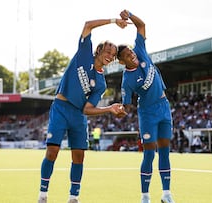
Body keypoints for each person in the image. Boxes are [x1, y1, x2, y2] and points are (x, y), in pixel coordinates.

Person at [38, 17, 128, 203]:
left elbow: (88, 109)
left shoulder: (101, 83)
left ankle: (73, 197)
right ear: (99, 50)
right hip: (61, 108)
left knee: (79, 156)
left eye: (113, 55)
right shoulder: (84, 54)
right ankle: (43, 195)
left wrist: (109, 108)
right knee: (52, 151)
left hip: (78, 115)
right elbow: (88, 25)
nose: (111, 56)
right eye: (108, 51)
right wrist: (113, 21)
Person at [117, 9, 176, 203]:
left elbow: (141, 26)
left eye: (131, 51)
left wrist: (130, 15)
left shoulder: (140, 51)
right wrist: (120, 110)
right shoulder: (126, 80)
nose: (132, 54)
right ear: (121, 61)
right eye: (127, 54)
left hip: (164, 107)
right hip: (148, 113)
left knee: (165, 151)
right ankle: (145, 196)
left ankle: (166, 194)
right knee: (150, 153)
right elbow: (127, 105)